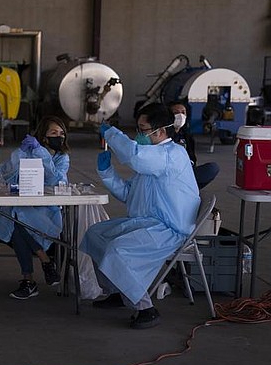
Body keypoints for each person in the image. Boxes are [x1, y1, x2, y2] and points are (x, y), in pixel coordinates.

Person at [81, 103, 199, 329]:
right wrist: (107, 173)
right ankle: (117, 290)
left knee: (118, 250)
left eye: (143, 130)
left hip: (168, 229)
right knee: (95, 234)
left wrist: (112, 134)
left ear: (161, 131)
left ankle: (145, 308)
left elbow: (134, 155)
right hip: (145, 223)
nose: (138, 135)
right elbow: (128, 194)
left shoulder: (171, 155)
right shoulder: (154, 158)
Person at [0, 116, 69, 300]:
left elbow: (55, 180)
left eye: (61, 133)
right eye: (53, 133)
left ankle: (29, 281)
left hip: (45, 210)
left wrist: (41, 152)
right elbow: (4, 173)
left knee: (17, 222)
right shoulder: (29, 151)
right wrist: (20, 153)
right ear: (44, 136)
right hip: (21, 204)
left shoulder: (62, 158)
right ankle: (45, 261)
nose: (59, 137)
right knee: (15, 218)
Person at [168, 100, 220, 189]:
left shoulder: (187, 136)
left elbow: (192, 158)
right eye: (176, 113)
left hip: (185, 172)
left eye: (183, 112)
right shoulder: (163, 134)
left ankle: (188, 189)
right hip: (169, 174)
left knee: (212, 168)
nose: (180, 116)